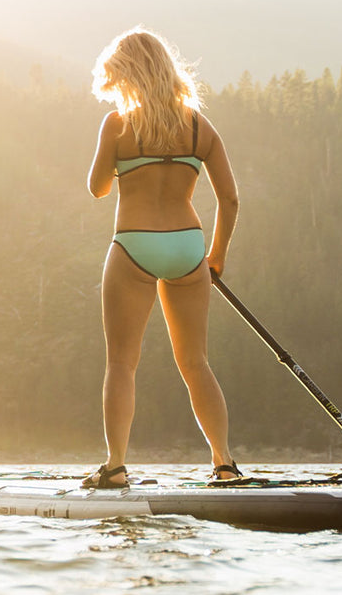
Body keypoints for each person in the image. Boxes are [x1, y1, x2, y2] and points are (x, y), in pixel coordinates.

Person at [82, 27, 241, 488]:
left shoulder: (117, 125)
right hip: (188, 248)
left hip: (135, 244)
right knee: (196, 363)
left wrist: (122, 159)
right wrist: (216, 256)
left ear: (126, 75)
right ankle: (224, 463)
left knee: (121, 364)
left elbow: (97, 189)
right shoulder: (199, 127)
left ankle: (115, 466)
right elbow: (230, 199)